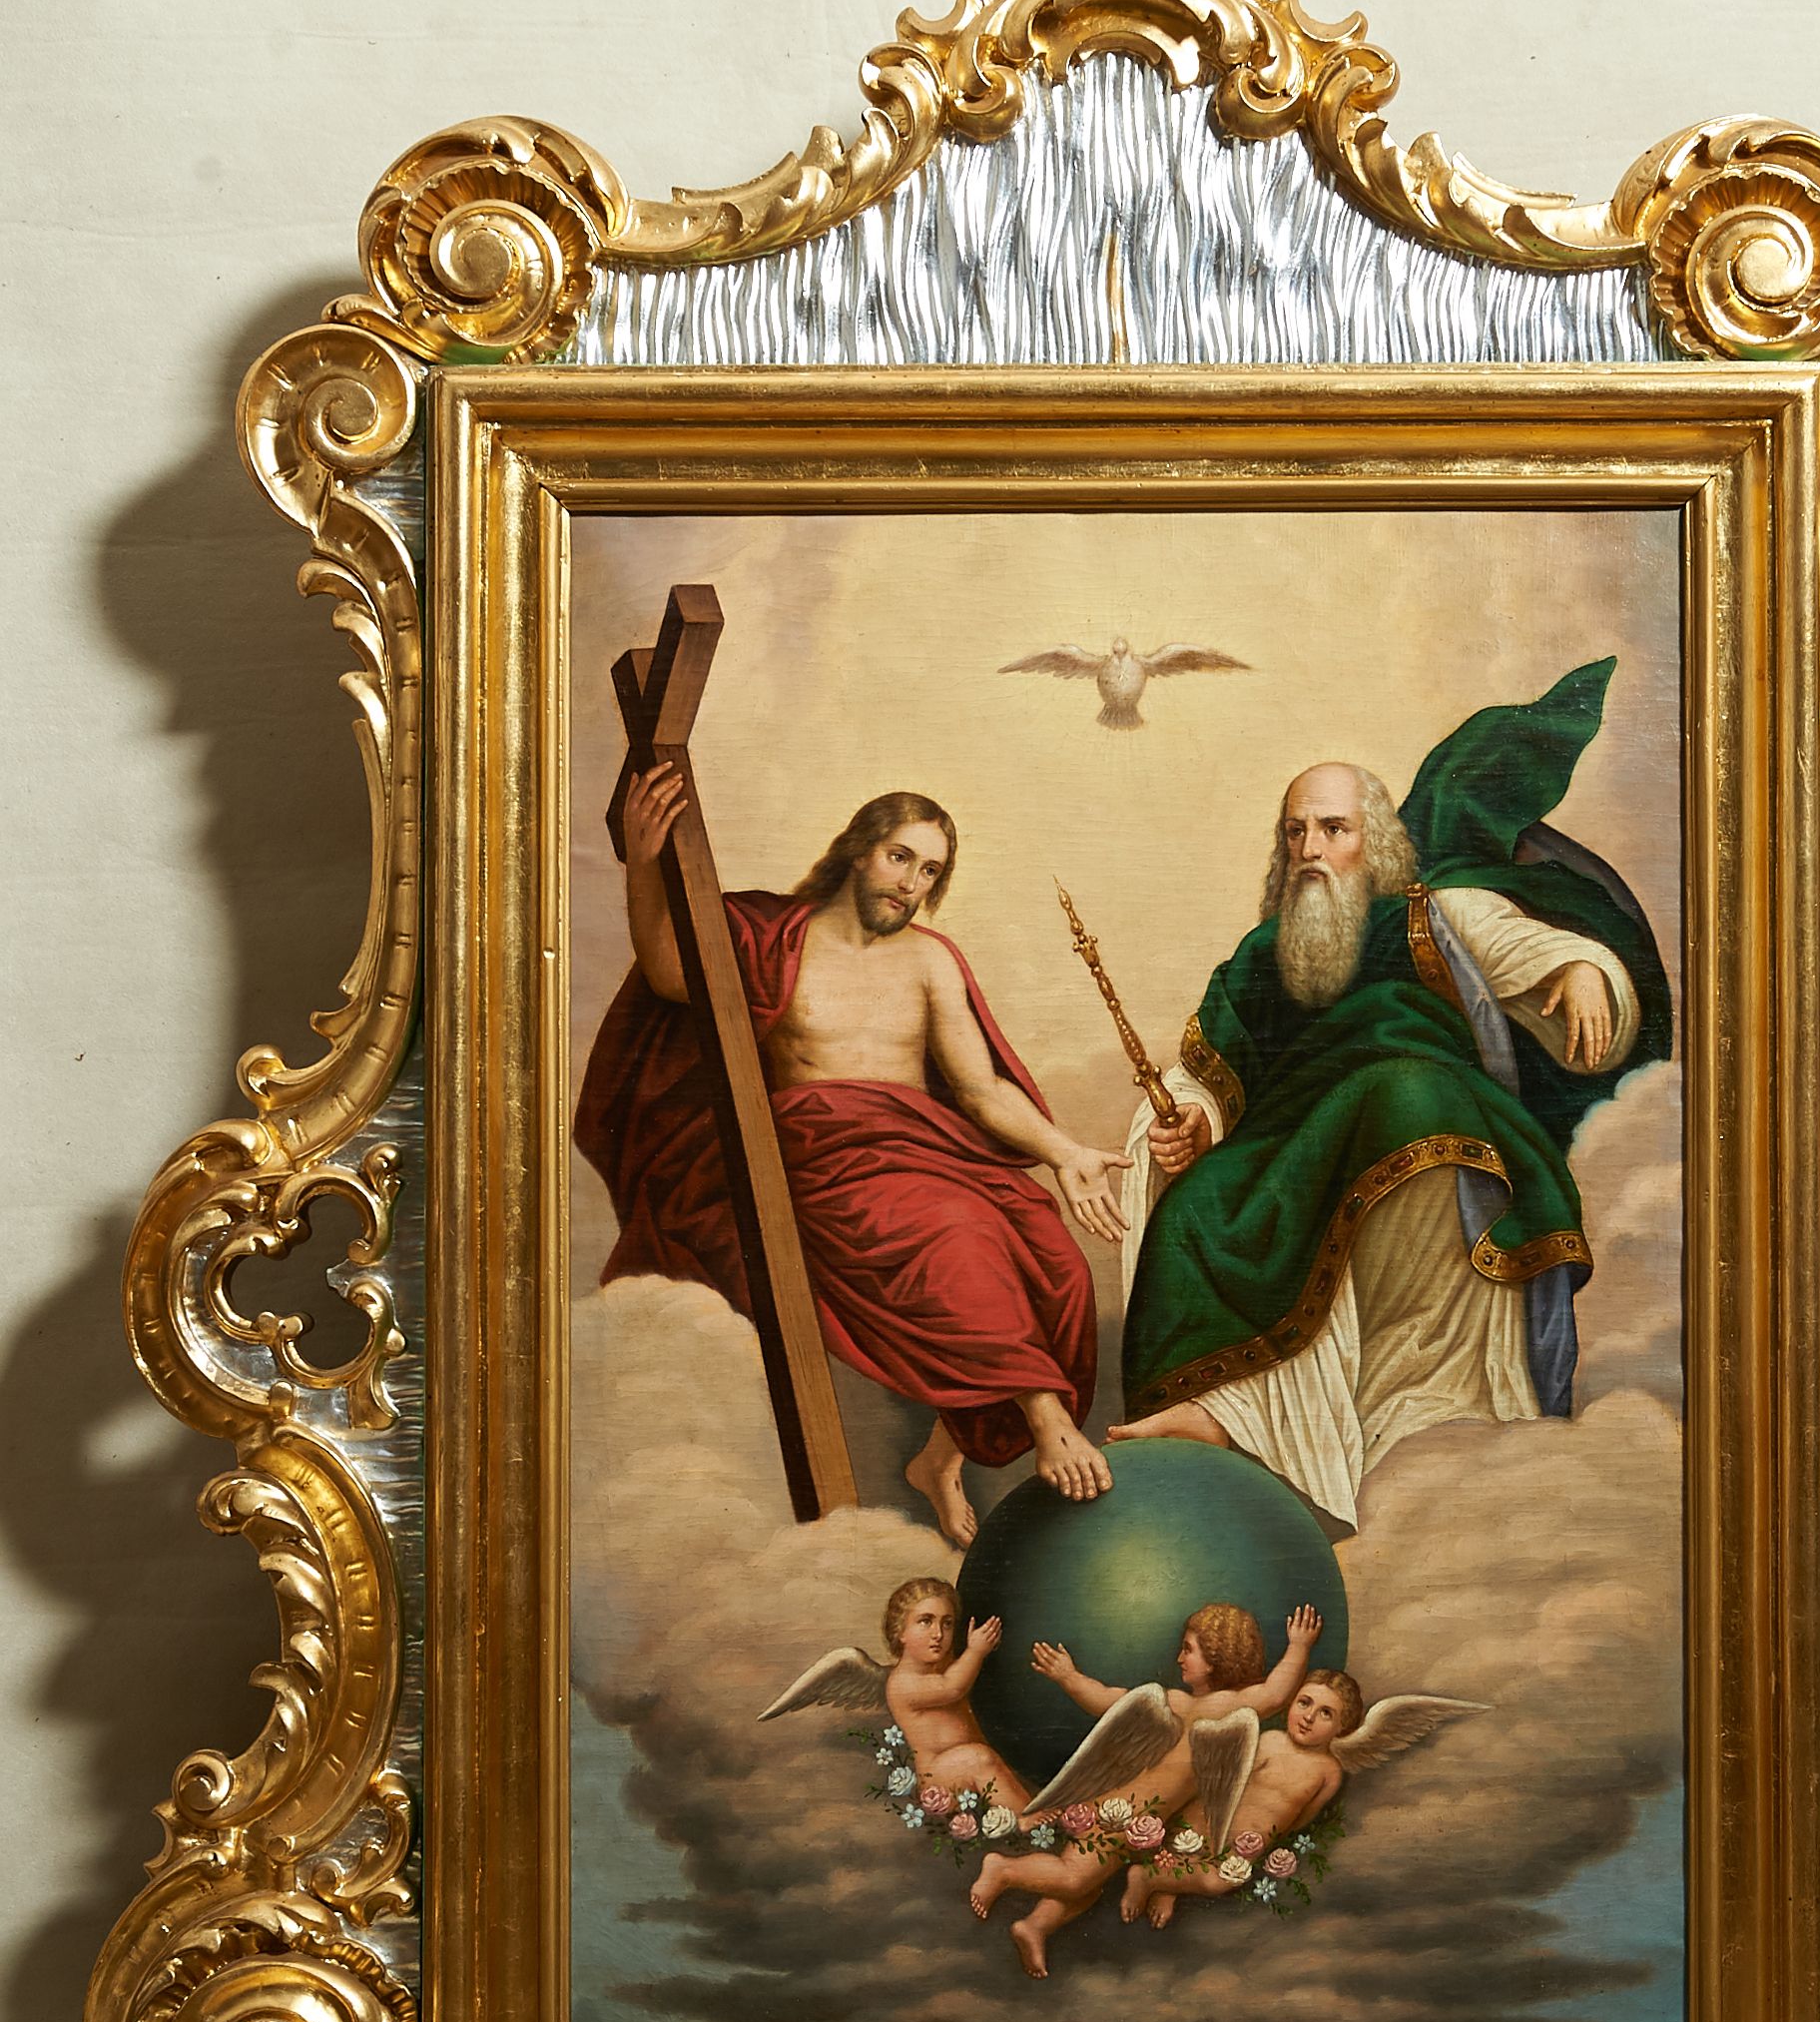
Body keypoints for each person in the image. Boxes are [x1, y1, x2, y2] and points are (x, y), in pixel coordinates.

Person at [1111, 665, 1672, 1529]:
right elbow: (1206, 1074)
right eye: (1295, 831)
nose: (1308, 848)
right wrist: (1191, 1123)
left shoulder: (1428, 912)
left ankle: (1420, 1434)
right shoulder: (1262, 957)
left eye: (1331, 828)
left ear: (1373, 842)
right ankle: (1228, 1419)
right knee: (1194, 1210)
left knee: (1401, 1095)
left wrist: (1583, 970)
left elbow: (1524, 947)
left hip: (1425, 1119)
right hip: (1286, 1153)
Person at [575, 763, 1125, 1546]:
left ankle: (939, 1457)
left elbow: (979, 1090)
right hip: (824, 1159)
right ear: (860, 850)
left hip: (924, 1153)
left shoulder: (931, 960)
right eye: (901, 857)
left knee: (1056, 1262)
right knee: (956, 1240)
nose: (911, 883)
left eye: (929, 870)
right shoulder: (772, 939)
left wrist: (1063, 1151)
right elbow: (667, 970)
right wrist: (640, 859)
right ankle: (1047, 1420)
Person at [967, 1600, 1324, 1976]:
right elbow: (1109, 1702)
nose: (1179, 1658)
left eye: (1188, 1649)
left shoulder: (1212, 1706)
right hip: (1119, 1814)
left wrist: (1070, 1677)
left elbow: (1274, 1694)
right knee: (1073, 1876)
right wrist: (1299, 1648)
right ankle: (1003, 1870)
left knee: (1089, 1885)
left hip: (1137, 1821)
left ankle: (1035, 1926)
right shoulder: (1182, 1703)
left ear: (1216, 1657)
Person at [1123, 1669, 1358, 1925]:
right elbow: (1227, 1785)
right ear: (1292, 1702)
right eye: (1304, 1703)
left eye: (1326, 1713)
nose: (1309, 1717)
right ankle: (1148, 1879)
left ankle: (1159, 1881)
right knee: (1191, 1851)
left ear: (1342, 1726)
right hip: (1214, 1825)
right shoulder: (1271, 1741)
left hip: (1247, 1847)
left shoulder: (1330, 1772)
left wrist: (1269, 1839)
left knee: (1218, 1881)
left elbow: (1304, 1817)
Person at [878, 1578, 1027, 1813]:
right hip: (939, 1780)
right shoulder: (902, 1683)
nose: (938, 1633)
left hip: (967, 1772)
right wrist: (976, 1651)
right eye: (925, 1621)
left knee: (988, 1761)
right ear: (900, 1631)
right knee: (978, 1757)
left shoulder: (948, 1666)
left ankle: (1029, 1808)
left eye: (947, 1624)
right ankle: (1025, 1816)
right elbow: (952, 1687)